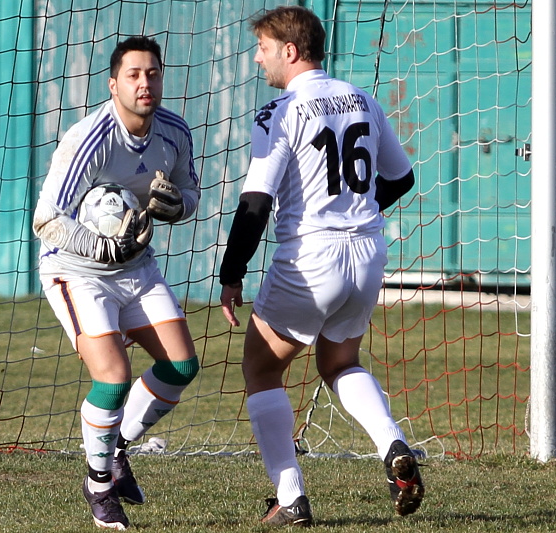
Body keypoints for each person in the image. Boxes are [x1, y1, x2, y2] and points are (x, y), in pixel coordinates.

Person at [219, 6, 424, 527]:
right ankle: (393, 444)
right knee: (339, 364)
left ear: (290, 51)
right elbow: (401, 178)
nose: (258, 58)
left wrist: (231, 272)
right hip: (367, 254)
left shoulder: (280, 111)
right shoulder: (362, 99)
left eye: (264, 48)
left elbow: (256, 202)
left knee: (261, 368)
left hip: (312, 258)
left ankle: (291, 499)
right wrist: (356, 210)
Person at [33, 36, 200, 530]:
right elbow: (46, 219)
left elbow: (190, 192)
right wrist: (100, 247)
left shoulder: (174, 131)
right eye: (133, 75)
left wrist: (179, 207)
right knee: (113, 377)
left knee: (181, 366)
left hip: (137, 268)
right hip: (76, 270)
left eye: (152, 73)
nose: (144, 83)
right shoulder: (89, 139)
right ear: (113, 84)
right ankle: (99, 485)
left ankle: (117, 447)